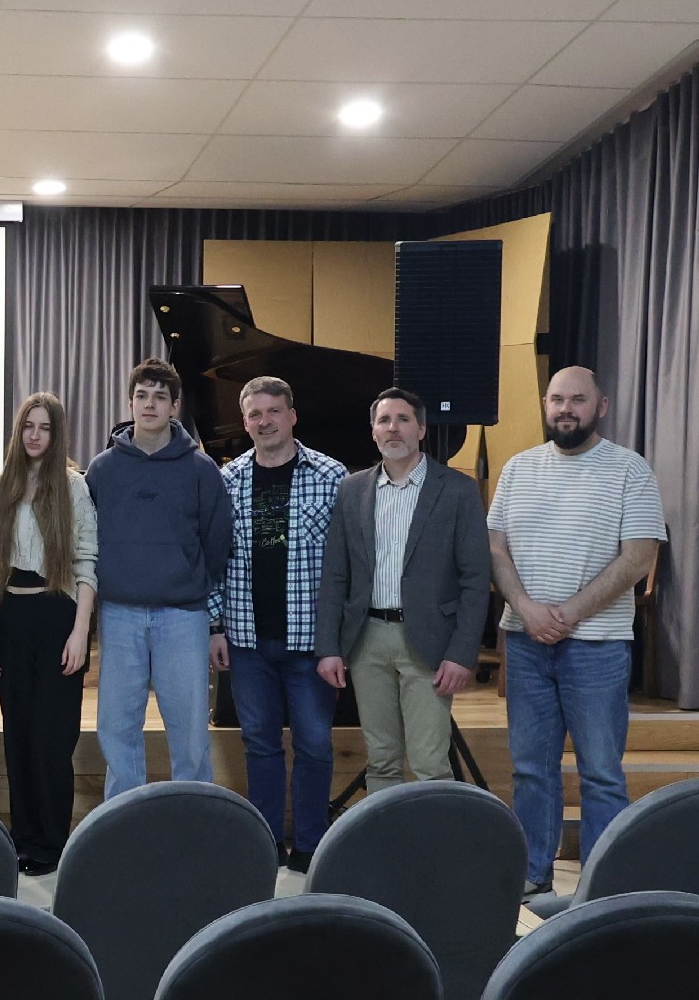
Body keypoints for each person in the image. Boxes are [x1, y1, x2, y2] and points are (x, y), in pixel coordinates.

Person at [487, 366, 665, 897]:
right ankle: (532, 876)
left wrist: (566, 613)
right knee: (530, 770)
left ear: (601, 406)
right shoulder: (518, 468)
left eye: (578, 400)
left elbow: (639, 557)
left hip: (598, 647)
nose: (566, 409)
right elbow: (495, 548)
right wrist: (526, 609)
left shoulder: (630, 470)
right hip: (525, 643)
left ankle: (603, 887)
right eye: (557, 399)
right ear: (545, 405)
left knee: (602, 773)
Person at [316, 388, 490, 800]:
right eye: (384, 420)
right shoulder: (352, 489)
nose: (393, 428)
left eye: (403, 419)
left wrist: (463, 653)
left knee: (430, 762)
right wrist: (329, 647)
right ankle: (387, 839)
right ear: (373, 432)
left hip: (429, 641)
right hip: (367, 639)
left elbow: (475, 577)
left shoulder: (457, 490)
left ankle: (434, 842)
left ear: (422, 429)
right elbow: (336, 574)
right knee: (381, 759)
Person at [208, 377, 346, 872]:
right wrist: (215, 625)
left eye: (273, 411)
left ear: (292, 416)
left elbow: (346, 564)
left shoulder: (331, 476)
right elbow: (215, 559)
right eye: (255, 414)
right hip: (247, 640)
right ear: (244, 422)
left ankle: (310, 844)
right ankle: (266, 842)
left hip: (310, 643)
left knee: (314, 745)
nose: (264, 421)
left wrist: (337, 639)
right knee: (260, 744)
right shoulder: (227, 479)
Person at [86, 358, 230, 797]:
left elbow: (217, 542)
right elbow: (86, 539)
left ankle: (192, 813)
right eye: (142, 395)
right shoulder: (103, 469)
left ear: (175, 406)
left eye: (160, 397)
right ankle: (122, 816)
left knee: (189, 728)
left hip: (183, 615)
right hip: (119, 613)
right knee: (117, 725)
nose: (150, 404)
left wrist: (187, 581)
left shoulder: (201, 469)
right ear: (130, 402)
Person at [0, 392, 97, 875]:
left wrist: (80, 632)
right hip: (12, 617)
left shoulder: (73, 487)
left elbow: (86, 561)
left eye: (45, 427)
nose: (34, 435)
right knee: (19, 735)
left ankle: (51, 842)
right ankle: (23, 837)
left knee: (51, 738)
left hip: (57, 616)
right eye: (28, 426)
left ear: (56, 433)